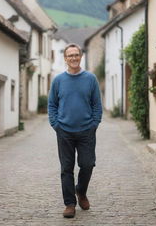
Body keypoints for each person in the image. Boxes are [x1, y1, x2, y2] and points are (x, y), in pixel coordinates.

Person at [48, 43, 102, 218]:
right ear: (65, 58)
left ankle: (81, 191)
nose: (73, 58)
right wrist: (56, 125)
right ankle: (70, 204)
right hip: (64, 131)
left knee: (87, 164)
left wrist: (94, 124)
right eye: (70, 55)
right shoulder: (58, 80)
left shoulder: (90, 79)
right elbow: (52, 105)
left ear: (81, 57)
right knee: (66, 168)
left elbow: (96, 105)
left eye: (76, 55)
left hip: (87, 130)